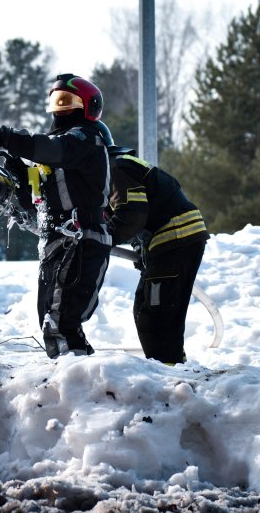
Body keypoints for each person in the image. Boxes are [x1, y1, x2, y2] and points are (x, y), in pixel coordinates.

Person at [0, 74, 112, 359]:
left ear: (89, 107)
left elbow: (53, 150)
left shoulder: (86, 139)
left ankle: (79, 389)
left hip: (82, 239)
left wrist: (1, 136)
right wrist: (17, 174)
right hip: (56, 243)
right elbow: (35, 204)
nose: (62, 107)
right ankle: (76, 381)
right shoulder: (54, 153)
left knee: (61, 323)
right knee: (50, 320)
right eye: (57, 101)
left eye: (69, 101)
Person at [106, 150, 208, 364]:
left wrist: (102, 237)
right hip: (173, 240)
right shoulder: (120, 166)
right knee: (152, 310)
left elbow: (131, 214)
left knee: (156, 316)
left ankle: (169, 374)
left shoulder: (114, 169)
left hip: (174, 237)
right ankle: (173, 367)